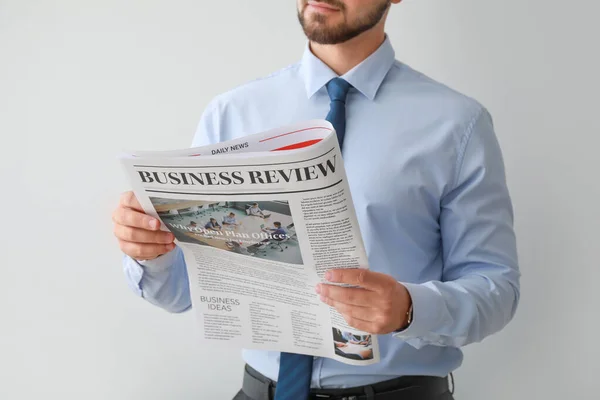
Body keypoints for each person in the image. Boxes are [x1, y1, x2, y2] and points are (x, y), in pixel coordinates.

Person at [112, 1, 520, 399]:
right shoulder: (231, 113)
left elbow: (495, 287)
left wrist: (409, 309)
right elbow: (182, 293)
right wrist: (151, 253)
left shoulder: (457, 124)